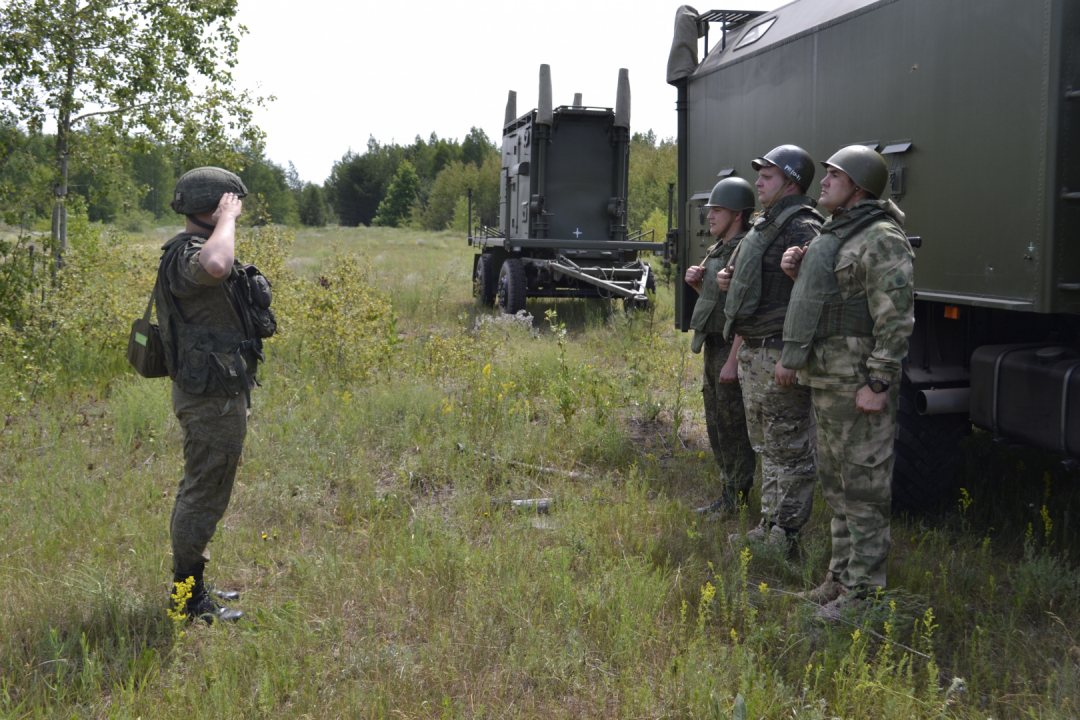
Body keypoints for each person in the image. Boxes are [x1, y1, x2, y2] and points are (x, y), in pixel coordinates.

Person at [779, 145, 914, 620]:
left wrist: (878, 382)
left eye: (835, 175)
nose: (825, 181)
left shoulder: (880, 237)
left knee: (865, 488)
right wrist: (799, 273)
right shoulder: (838, 234)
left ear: (858, 185)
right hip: (828, 378)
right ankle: (841, 578)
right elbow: (829, 300)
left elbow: (894, 317)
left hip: (857, 380)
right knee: (837, 484)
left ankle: (865, 594)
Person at [158, 167, 263, 623]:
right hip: (208, 398)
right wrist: (228, 219)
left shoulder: (196, 246)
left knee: (207, 487)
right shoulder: (188, 255)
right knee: (203, 493)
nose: (237, 211)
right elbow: (217, 266)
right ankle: (186, 599)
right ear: (215, 205)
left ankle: (194, 583)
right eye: (231, 203)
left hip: (218, 390)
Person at [717, 145, 825, 548]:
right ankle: (769, 526)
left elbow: (813, 296)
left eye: (768, 176)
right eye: (759, 175)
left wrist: (791, 355)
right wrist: (732, 281)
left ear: (791, 182)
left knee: (791, 449)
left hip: (779, 351)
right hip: (757, 351)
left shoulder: (803, 227)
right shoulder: (769, 225)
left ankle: (787, 535)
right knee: (769, 445)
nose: (758, 183)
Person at [685, 177, 756, 517]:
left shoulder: (745, 248)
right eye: (709, 210)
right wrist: (700, 286)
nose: (709, 217)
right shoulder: (720, 248)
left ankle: (738, 499)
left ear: (737, 214)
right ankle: (728, 492)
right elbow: (721, 305)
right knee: (716, 423)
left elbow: (746, 310)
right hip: (714, 347)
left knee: (733, 426)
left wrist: (733, 360)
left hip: (731, 349)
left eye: (717, 210)